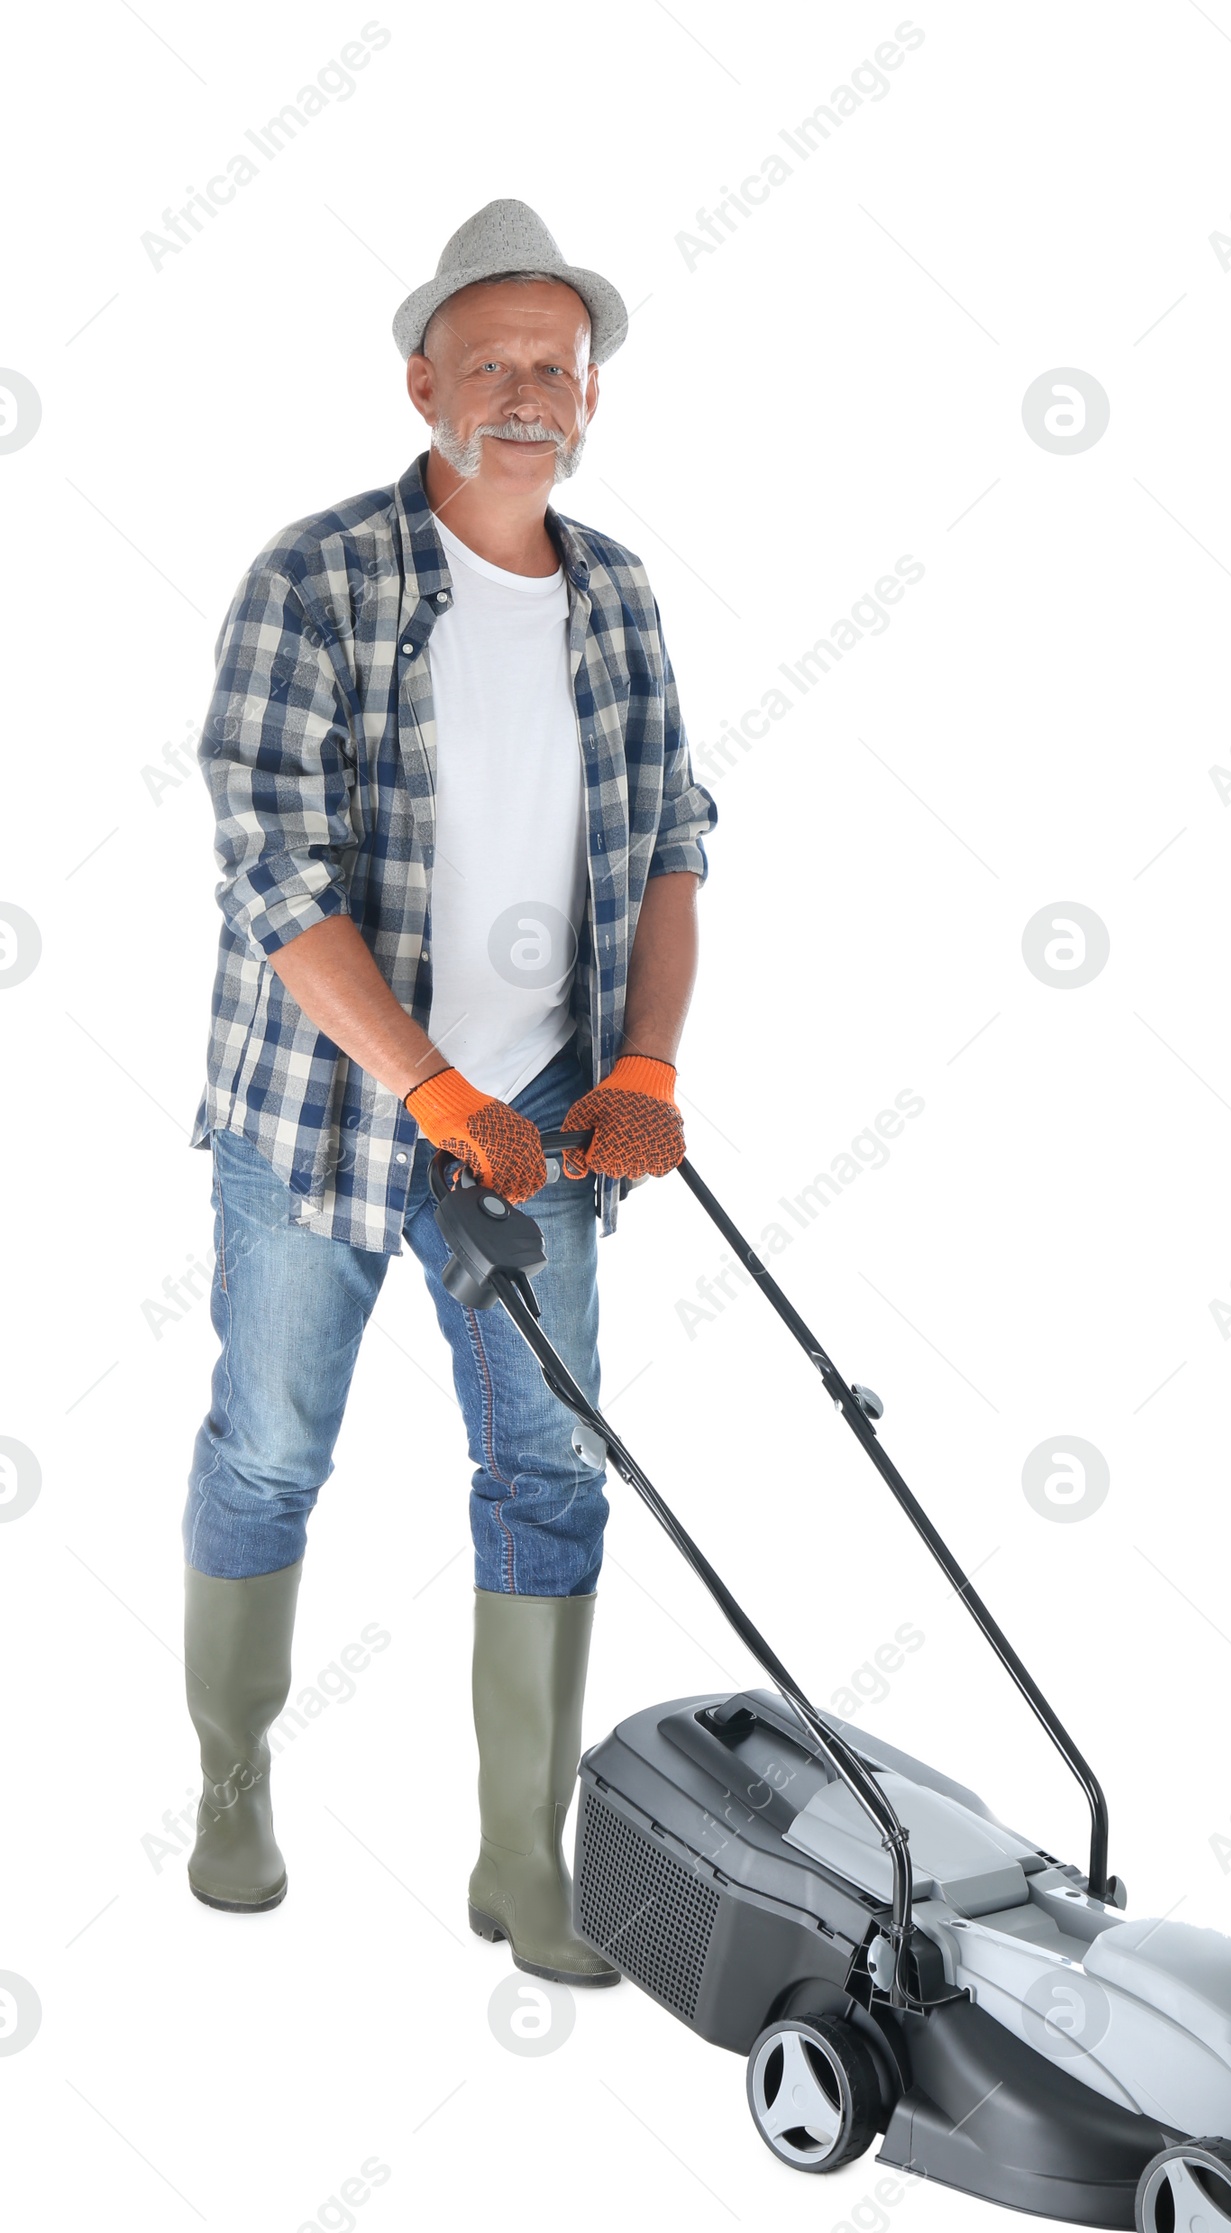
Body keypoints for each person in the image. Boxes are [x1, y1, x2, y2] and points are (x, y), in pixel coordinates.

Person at [181, 199, 715, 1985]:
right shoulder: (315, 578)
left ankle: (523, 1866)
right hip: (325, 1127)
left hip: (547, 1117)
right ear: (423, 381)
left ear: (591, 400)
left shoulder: (620, 596)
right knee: (269, 1451)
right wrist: (423, 1087)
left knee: (549, 1475)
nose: (524, 391)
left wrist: (644, 1057)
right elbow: (272, 867)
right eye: (488, 361)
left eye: (554, 366)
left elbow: (672, 847)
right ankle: (234, 1782)